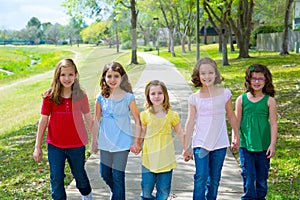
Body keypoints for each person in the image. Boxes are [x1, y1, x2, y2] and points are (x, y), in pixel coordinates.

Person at [33, 58, 93, 200]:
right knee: (56, 178)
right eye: (63, 75)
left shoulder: (81, 96)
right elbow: (43, 121)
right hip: (55, 145)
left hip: (77, 145)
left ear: (75, 75)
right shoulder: (50, 96)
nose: (67, 78)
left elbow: (88, 118)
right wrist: (37, 146)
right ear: (57, 76)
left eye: (70, 74)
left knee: (80, 176)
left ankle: (87, 195)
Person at [183, 57, 240, 200]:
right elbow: (190, 122)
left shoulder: (225, 93)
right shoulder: (194, 98)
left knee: (214, 179)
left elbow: (232, 116)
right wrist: (186, 146)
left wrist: (236, 136)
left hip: (220, 143)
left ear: (216, 74)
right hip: (201, 143)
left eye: (210, 72)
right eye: (203, 73)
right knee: (201, 176)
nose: (207, 76)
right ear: (198, 75)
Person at [91, 61, 141, 200]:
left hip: (122, 142)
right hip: (105, 142)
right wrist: (94, 141)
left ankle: (118, 195)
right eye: (109, 76)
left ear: (122, 78)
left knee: (118, 175)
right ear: (104, 78)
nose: (112, 80)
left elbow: (137, 120)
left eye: (116, 76)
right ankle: (116, 193)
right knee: (105, 173)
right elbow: (96, 120)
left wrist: (137, 142)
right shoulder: (101, 98)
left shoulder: (128, 97)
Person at [130, 80, 184, 200]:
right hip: (149, 159)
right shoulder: (145, 115)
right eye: (153, 94)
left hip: (166, 159)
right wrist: (137, 144)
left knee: (163, 191)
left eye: (160, 93)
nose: (156, 96)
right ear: (148, 97)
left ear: (165, 95)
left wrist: (186, 148)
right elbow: (142, 132)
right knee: (146, 191)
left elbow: (180, 133)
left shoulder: (172, 115)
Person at [235, 64, 277, 200]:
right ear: (248, 80)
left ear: (266, 81)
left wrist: (272, 144)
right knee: (248, 174)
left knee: (261, 176)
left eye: (261, 79)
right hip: (246, 144)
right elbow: (237, 121)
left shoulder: (269, 101)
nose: (257, 82)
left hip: (263, 146)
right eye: (254, 79)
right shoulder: (241, 99)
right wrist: (235, 138)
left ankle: (260, 198)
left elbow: (273, 123)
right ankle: (248, 198)